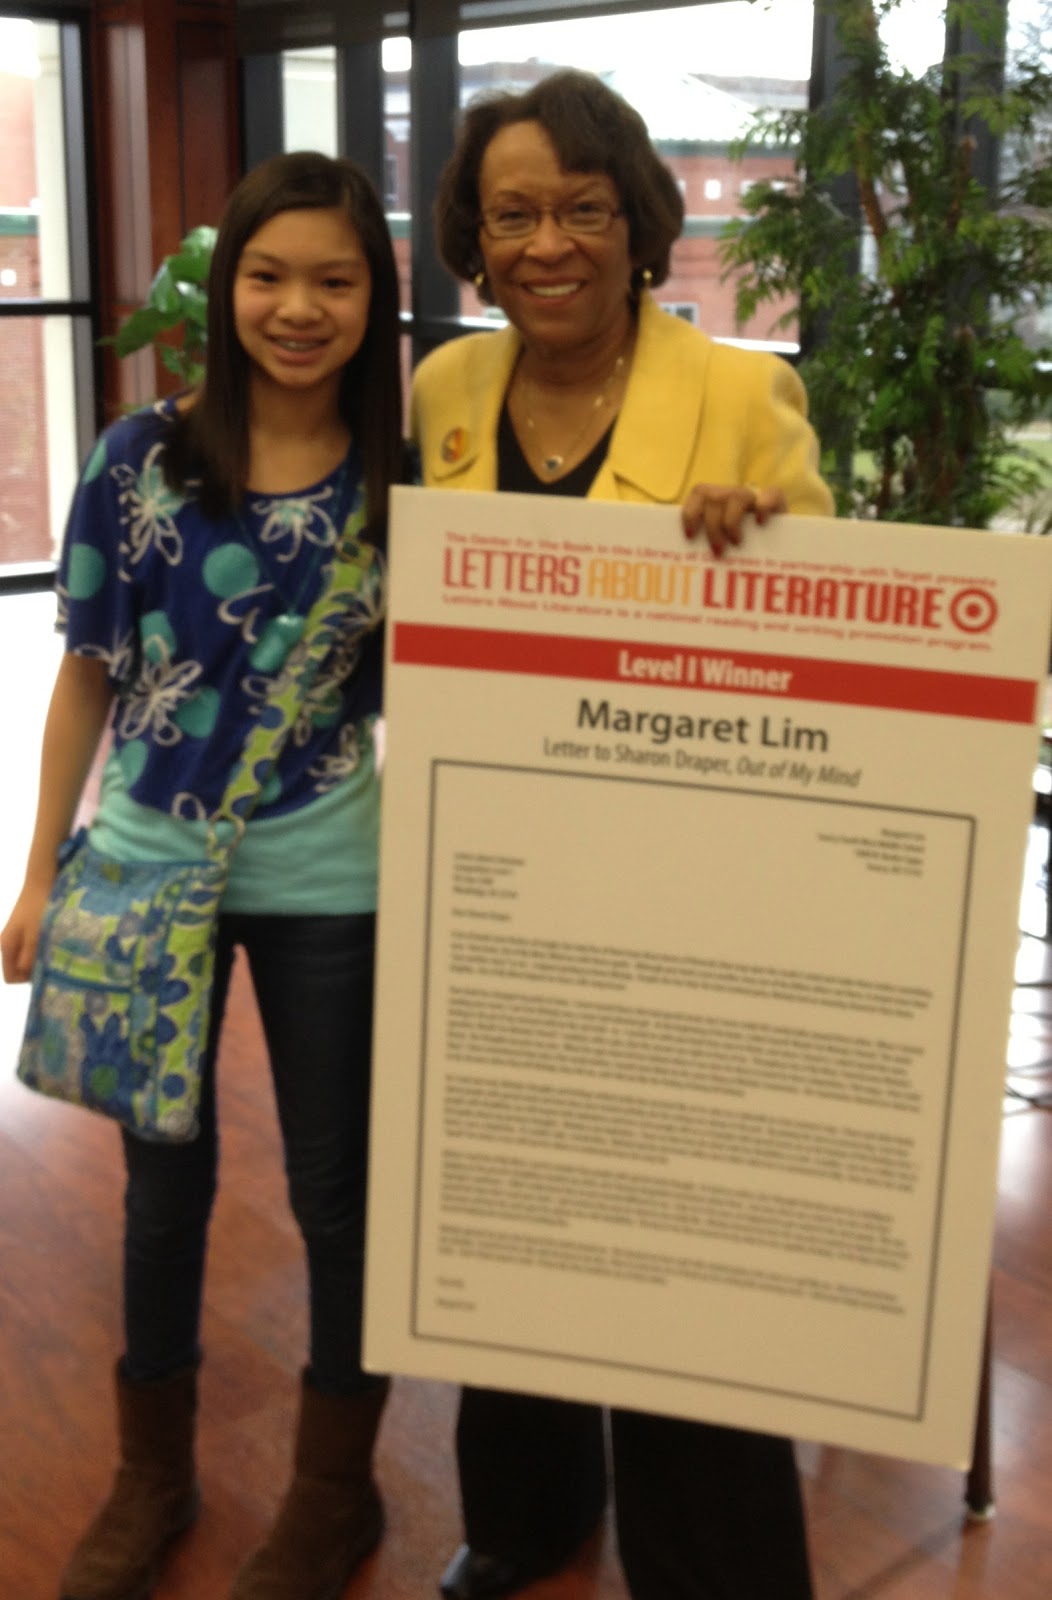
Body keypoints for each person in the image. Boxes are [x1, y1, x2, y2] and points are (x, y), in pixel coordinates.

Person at [410, 69, 835, 1600]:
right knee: (517, 1203)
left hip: (686, 887)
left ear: (638, 220)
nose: (547, 244)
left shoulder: (736, 393)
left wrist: (767, 553)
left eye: (582, 208)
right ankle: (529, 1514)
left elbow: (840, 644)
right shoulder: (447, 392)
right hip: (503, 879)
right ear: (474, 236)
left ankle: (712, 1564)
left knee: (678, 1242)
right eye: (512, 214)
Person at [1, 151, 403, 1600]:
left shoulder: (404, 479)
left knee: (339, 1198)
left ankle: (333, 1493)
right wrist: (39, 874)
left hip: (331, 873)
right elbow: (85, 673)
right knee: (162, 1192)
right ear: (226, 286)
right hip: (144, 868)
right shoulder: (138, 457)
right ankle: (151, 1474)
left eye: (335, 280)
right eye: (268, 275)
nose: (299, 308)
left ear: (375, 299)